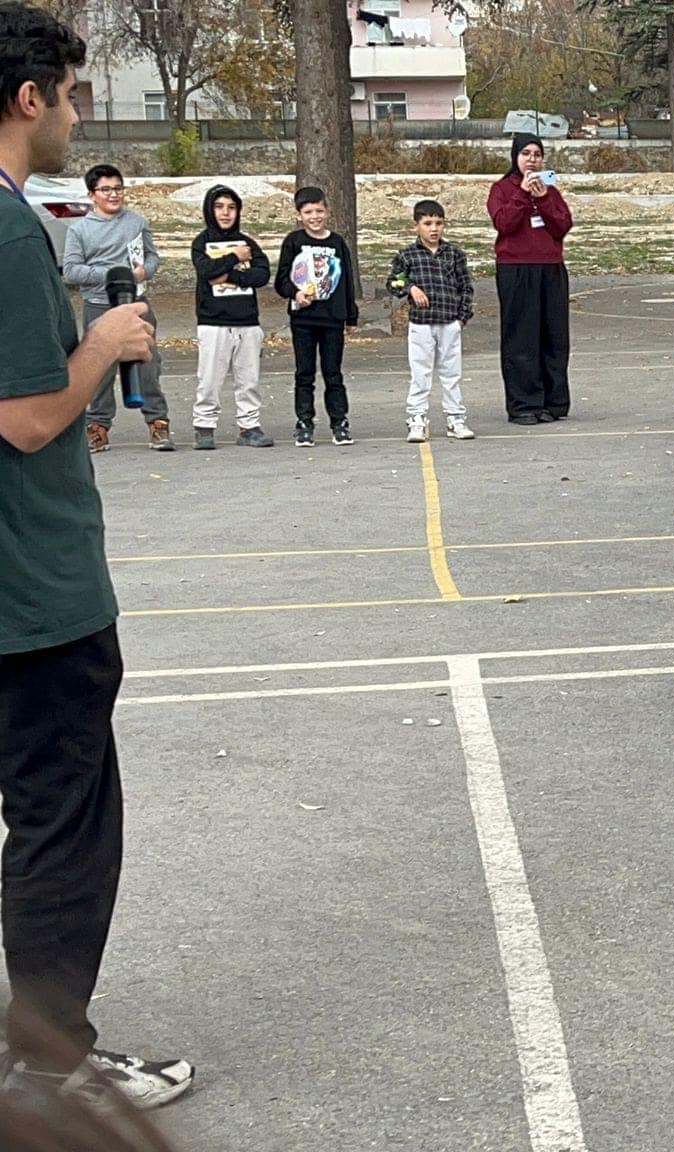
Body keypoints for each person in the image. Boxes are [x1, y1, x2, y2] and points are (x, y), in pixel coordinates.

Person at [0, 0, 194, 1112]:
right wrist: (105, 344)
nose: (77, 115)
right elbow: (28, 417)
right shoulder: (10, 230)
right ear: (29, 97)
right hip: (33, 593)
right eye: (71, 94)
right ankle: (50, 1067)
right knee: (62, 827)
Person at [61, 164, 169, 452]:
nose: (113, 194)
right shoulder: (80, 230)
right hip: (100, 305)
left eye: (118, 188)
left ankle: (158, 422)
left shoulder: (137, 222)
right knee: (101, 369)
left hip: (137, 304)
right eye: (106, 189)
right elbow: (71, 270)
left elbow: (152, 257)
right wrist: (112, 275)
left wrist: (145, 271)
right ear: (92, 195)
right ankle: (98, 426)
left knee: (147, 365)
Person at [489, 132, 574, 424]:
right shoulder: (502, 189)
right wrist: (523, 195)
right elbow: (504, 223)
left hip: (550, 268)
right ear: (515, 157)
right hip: (517, 269)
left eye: (537, 154)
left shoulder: (550, 189)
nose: (532, 160)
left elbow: (562, 225)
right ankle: (524, 404)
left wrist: (544, 198)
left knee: (554, 337)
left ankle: (554, 402)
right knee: (522, 338)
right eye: (525, 154)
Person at [188, 184, 272, 449]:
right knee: (209, 379)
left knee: (248, 380)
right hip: (213, 321)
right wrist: (234, 256)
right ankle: (204, 426)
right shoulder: (201, 243)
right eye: (219, 207)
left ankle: (249, 426)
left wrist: (231, 276)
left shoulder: (248, 243)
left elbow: (261, 274)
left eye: (231, 207)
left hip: (247, 321)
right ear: (209, 210)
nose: (225, 213)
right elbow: (207, 271)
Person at [273, 186, 358, 447]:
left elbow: (347, 281)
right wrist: (296, 293)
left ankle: (339, 422)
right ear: (299, 214)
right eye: (308, 212)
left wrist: (351, 316)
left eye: (319, 211)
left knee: (333, 373)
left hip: (332, 318)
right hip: (304, 320)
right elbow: (281, 280)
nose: (314, 216)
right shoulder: (293, 241)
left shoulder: (337, 243)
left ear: (328, 212)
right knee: (304, 373)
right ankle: (304, 422)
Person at [388, 198, 475, 443]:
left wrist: (462, 317)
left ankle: (455, 417)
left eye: (439, 223)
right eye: (427, 223)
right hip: (421, 322)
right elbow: (393, 282)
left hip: (449, 321)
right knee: (420, 372)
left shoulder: (454, 254)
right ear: (416, 225)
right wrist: (410, 288)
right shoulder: (407, 255)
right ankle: (416, 418)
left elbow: (465, 286)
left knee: (451, 372)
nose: (434, 229)